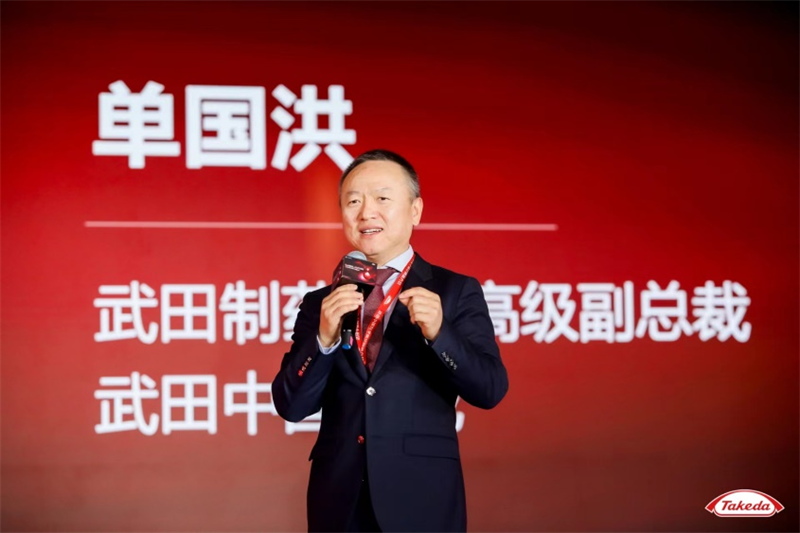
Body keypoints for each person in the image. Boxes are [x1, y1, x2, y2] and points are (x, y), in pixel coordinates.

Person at [272, 149, 508, 533]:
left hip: (423, 497)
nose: (367, 212)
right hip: (339, 503)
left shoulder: (454, 291)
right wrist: (323, 340)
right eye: (353, 201)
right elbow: (291, 405)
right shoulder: (322, 303)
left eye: (382, 198)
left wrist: (440, 334)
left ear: (415, 211)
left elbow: (490, 389)